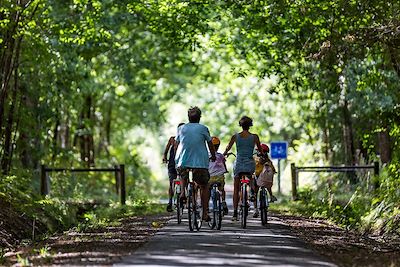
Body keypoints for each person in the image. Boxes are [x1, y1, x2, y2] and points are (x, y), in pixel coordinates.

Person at [175, 106, 216, 222]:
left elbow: (176, 144)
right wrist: (213, 156)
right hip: (200, 163)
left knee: (183, 174)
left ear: (188, 117)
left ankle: (183, 192)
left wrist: (176, 158)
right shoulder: (203, 128)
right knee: (204, 186)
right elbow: (210, 144)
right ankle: (205, 213)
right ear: (199, 117)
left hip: (183, 161)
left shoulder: (181, 128)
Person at [223, 116, 263, 221]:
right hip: (250, 163)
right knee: (251, 178)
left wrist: (223, 155)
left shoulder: (235, 137)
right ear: (250, 125)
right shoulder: (255, 137)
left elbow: (228, 148)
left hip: (239, 164)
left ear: (240, 125)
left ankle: (235, 214)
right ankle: (252, 192)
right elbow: (260, 150)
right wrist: (262, 155)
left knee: (236, 188)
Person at [163, 123, 185, 212]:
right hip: (180, 164)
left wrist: (164, 158)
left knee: (172, 182)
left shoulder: (173, 139)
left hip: (174, 164)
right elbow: (166, 151)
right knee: (182, 181)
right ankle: (175, 200)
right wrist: (164, 156)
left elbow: (166, 152)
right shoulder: (184, 140)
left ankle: (171, 202)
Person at [252, 143, 277, 217]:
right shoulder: (268, 160)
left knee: (255, 193)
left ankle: (255, 209)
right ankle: (271, 195)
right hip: (265, 179)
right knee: (268, 183)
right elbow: (273, 169)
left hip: (257, 177)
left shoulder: (255, 158)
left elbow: (252, 167)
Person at [208, 136, 229, 215]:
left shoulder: (207, 155)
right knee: (222, 189)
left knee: (207, 190)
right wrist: (225, 170)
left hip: (210, 178)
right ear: (218, 146)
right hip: (219, 177)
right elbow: (224, 164)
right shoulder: (220, 156)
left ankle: (206, 206)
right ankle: (223, 201)